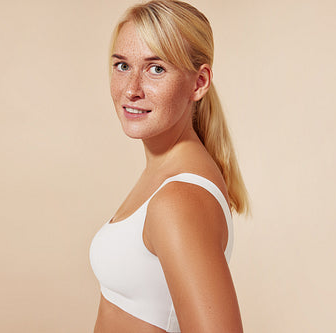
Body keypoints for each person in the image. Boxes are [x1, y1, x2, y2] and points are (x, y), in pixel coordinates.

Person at [89, 1, 250, 332]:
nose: (132, 89)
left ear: (199, 83)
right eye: (122, 65)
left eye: (156, 69)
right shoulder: (165, 171)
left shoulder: (177, 199)